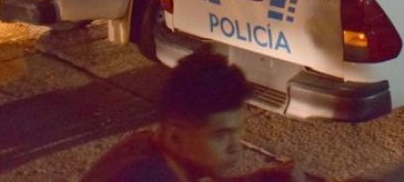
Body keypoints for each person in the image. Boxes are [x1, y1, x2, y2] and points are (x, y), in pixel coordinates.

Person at [83, 51, 295, 181]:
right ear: (175, 136)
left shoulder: (153, 152)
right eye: (220, 135)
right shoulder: (145, 176)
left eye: (237, 131)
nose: (234, 147)